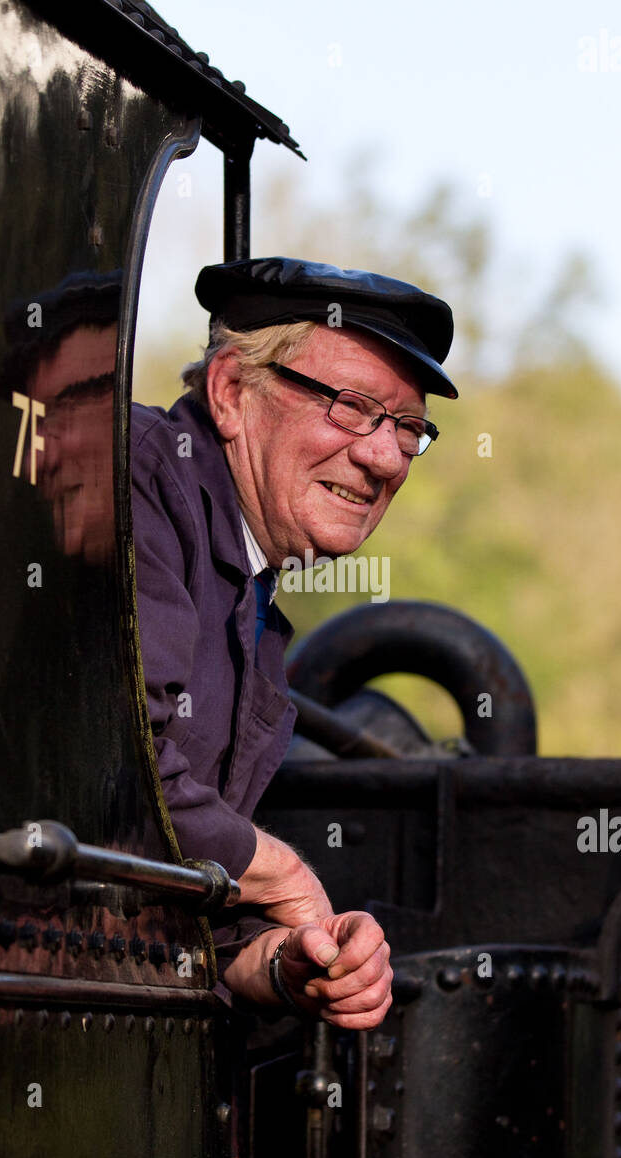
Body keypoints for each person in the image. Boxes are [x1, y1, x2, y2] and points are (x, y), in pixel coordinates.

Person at [131, 257, 457, 1028]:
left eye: (408, 429)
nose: (383, 457)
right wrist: (282, 876)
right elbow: (119, 768)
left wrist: (295, 960)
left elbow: (197, 918)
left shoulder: (260, 614)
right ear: (231, 393)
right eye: (351, 406)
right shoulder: (142, 475)